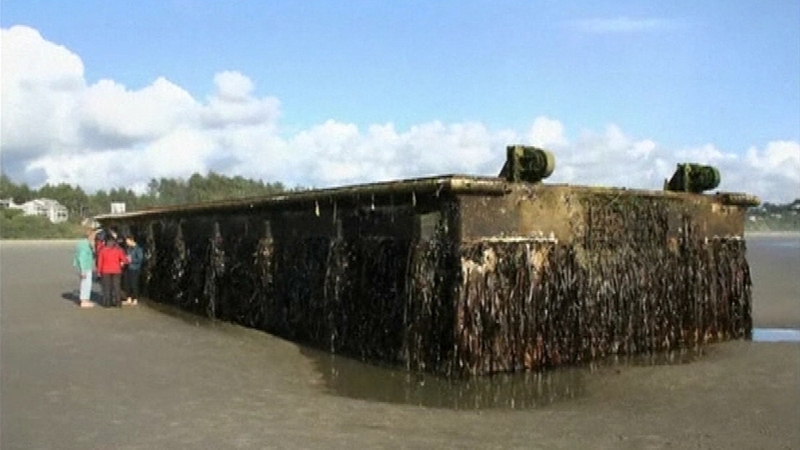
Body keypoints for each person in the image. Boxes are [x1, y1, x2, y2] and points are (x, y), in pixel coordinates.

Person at [96, 236, 128, 307]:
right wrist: (122, 263)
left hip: (105, 270)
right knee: (117, 287)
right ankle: (118, 303)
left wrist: (98, 272)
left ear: (106, 243)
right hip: (116, 270)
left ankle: (107, 303)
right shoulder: (118, 250)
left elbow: (100, 262)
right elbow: (125, 260)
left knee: (107, 287)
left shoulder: (102, 251)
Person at [73, 228, 96, 308]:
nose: (94, 237)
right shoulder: (84, 244)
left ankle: (85, 300)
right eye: (93, 235)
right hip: (85, 267)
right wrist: (83, 271)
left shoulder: (82, 243)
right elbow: (82, 257)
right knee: (86, 283)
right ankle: (84, 301)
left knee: (85, 283)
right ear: (89, 235)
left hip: (84, 266)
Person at [122, 235, 144, 306]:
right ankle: (128, 298)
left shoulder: (138, 249)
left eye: (127, 241)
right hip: (127, 268)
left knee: (134, 284)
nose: (127, 243)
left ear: (132, 240)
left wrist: (131, 260)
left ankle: (135, 299)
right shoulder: (128, 249)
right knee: (127, 283)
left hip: (134, 269)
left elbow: (140, 259)